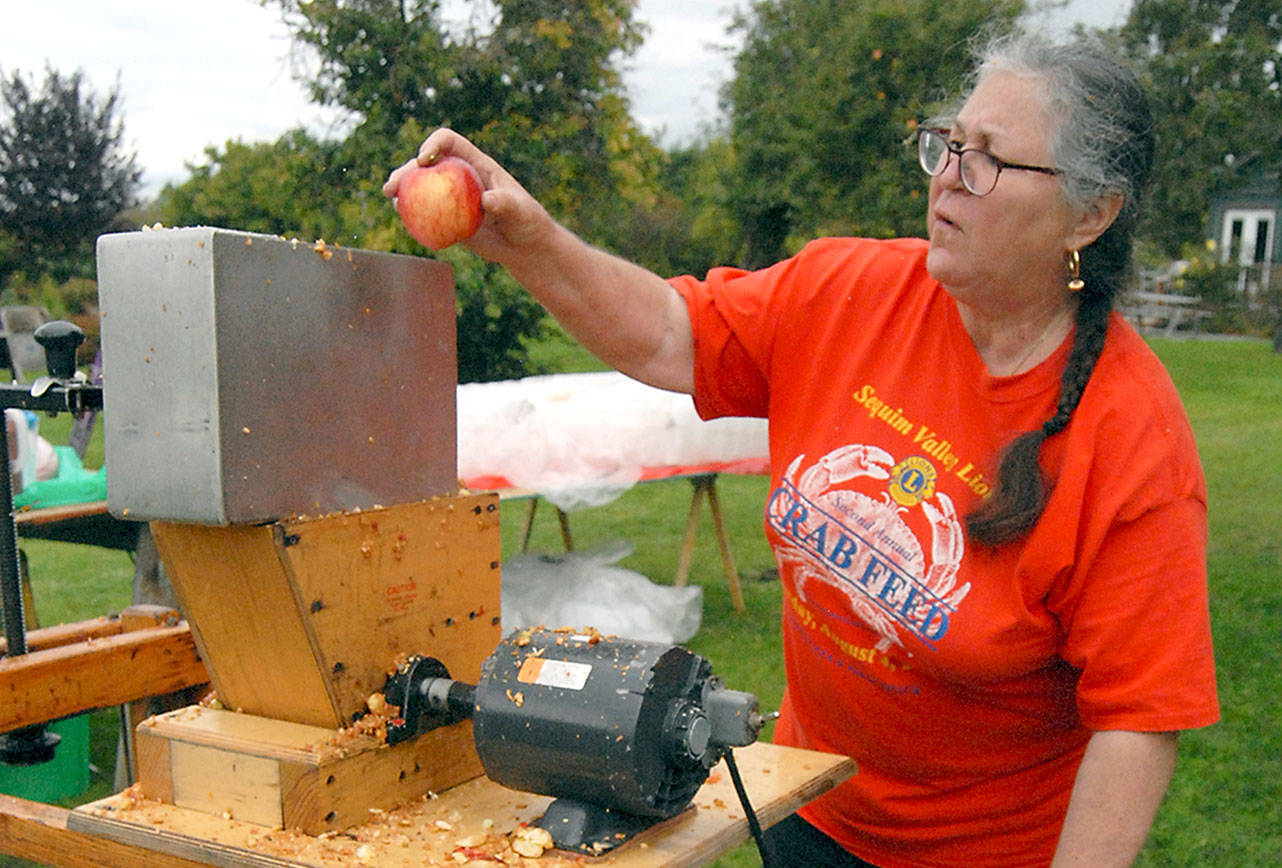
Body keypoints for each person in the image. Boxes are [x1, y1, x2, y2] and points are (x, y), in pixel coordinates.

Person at [384, 29, 1218, 868]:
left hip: (986, 851)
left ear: (1090, 212)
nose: (947, 179)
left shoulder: (1132, 441)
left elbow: (1136, 724)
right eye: (950, 145)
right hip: (809, 803)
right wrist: (529, 241)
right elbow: (671, 336)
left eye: (989, 160)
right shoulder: (850, 293)